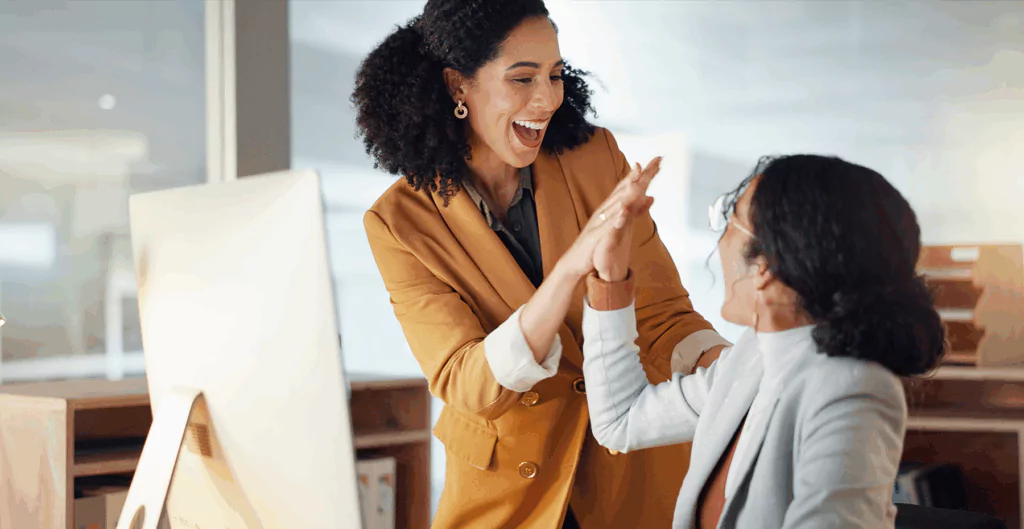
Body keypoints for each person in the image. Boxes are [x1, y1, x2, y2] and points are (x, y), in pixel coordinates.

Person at [354, 1, 730, 527]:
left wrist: (739, 373)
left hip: (629, 475)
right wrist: (568, 273)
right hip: (507, 490)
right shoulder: (400, 222)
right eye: (523, 78)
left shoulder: (595, 157)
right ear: (459, 86)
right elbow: (466, 381)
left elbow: (664, 317)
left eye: (555, 75)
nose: (547, 98)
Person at [579, 154, 946, 528]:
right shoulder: (754, 357)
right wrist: (611, 279)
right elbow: (622, 422)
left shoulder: (853, 391)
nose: (719, 240)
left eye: (730, 220)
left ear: (765, 267)